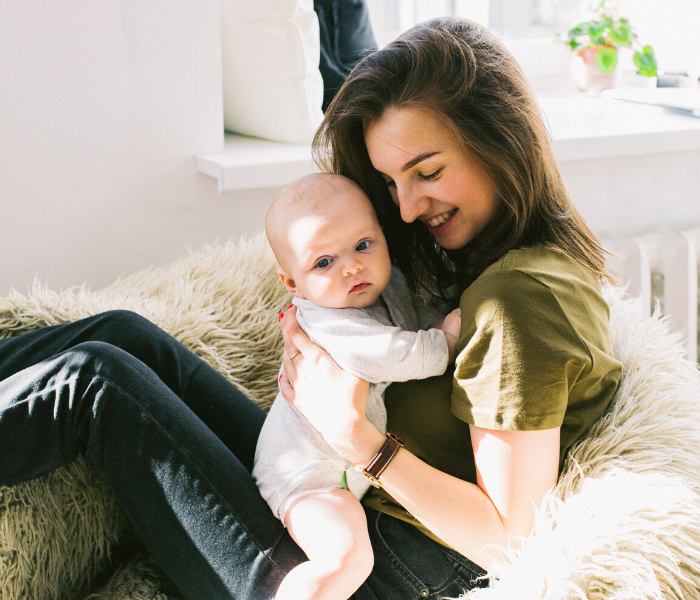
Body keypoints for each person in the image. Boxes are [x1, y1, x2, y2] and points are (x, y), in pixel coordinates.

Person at [0, 16, 622, 600]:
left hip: (370, 569)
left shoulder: (518, 302)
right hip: (332, 488)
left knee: (96, 382)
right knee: (127, 335)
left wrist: (359, 439)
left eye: (427, 172)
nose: (405, 210)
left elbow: (508, 538)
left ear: (500, 142)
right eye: (390, 184)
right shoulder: (498, 261)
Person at [255, 172, 461, 599]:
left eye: (363, 245)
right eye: (323, 262)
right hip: (306, 477)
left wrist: (435, 320)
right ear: (294, 284)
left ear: (382, 237)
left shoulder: (387, 284)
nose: (351, 266)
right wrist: (446, 340)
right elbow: (395, 353)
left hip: (349, 469)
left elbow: (413, 317)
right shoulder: (327, 321)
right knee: (348, 559)